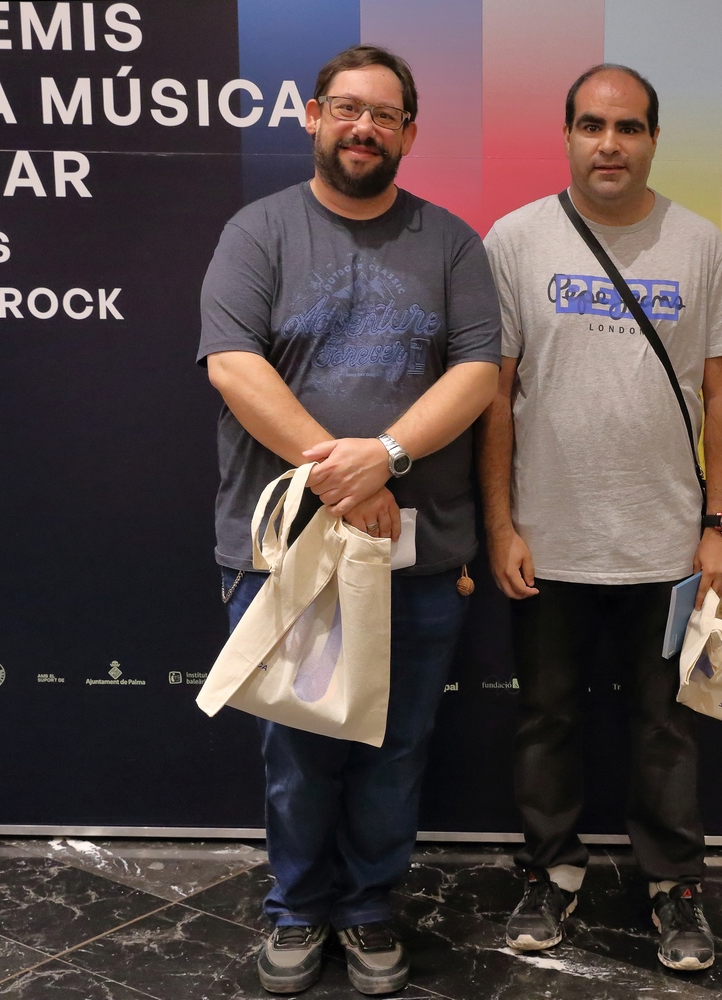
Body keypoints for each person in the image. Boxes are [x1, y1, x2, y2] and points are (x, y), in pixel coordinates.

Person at [198, 45, 500, 996]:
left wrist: (388, 456)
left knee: (393, 748)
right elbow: (232, 364)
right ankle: (296, 910)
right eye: (346, 108)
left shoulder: (451, 243)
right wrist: (342, 474)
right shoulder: (258, 233)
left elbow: (479, 372)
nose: (364, 128)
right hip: (284, 550)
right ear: (314, 117)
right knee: (295, 752)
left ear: (409, 133)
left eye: (384, 115)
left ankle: (368, 908)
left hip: (416, 554)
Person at [476, 63, 722, 972]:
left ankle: (674, 887)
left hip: (667, 543)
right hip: (548, 540)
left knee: (666, 727)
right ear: (567, 135)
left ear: (652, 139)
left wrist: (720, 525)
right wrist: (501, 526)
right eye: (593, 126)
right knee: (546, 720)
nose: (611, 144)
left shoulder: (701, 245)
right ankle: (548, 872)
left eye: (629, 127)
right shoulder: (515, 241)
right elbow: (494, 397)